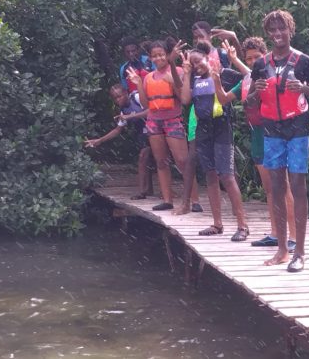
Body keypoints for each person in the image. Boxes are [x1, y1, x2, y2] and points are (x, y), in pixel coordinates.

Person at [247, 10, 309, 272]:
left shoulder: (303, 61)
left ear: (291, 30)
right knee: (277, 189)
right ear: (268, 34)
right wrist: (255, 94)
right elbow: (248, 102)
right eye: (273, 30)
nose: (278, 34)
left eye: (282, 29)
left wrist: (305, 89)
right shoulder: (261, 64)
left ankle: (299, 252)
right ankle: (281, 249)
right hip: (272, 132)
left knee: (298, 186)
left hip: (298, 130)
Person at [224, 37, 297, 252]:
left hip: (276, 133)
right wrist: (228, 67)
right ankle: (275, 233)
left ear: (265, 56)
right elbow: (247, 77)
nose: (254, 61)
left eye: (257, 57)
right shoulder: (249, 79)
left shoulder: (274, 74)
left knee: (283, 188)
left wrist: (238, 61)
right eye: (250, 58)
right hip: (258, 134)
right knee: (269, 189)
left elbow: (259, 72)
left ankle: (292, 236)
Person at [179, 42, 249, 240]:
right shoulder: (192, 78)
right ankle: (217, 224)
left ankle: (242, 226)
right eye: (191, 64)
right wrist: (186, 73)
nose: (196, 66)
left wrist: (234, 60)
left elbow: (249, 77)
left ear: (207, 58)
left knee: (226, 176)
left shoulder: (224, 73)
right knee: (210, 175)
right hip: (203, 129)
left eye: (197, 61)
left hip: (222, 128)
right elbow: (185, 100)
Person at [126, 38, 199, 211]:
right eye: (154, 56)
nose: (158, 58)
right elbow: (145, 104)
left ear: (167, 55)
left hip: (173, 120)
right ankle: (168, 200)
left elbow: (184, 98)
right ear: (150, 58)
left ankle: (194, 200)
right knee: (161, 161)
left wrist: (172, 81)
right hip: (154, 122)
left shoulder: (178, 71)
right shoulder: (148, 77)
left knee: (182, 161)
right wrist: (138, 84)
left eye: (161, 55)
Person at [85, 84, 153, 199]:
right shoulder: (123, 110)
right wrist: (100, 140)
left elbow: (151, 111)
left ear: (126, 93)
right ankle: (147, 190)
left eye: (119, 96)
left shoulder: (136, 97)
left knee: (148, 158)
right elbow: (117, 130)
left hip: (156, 129)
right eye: (115, 98)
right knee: (146, 160)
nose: (118, 100)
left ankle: (144, 192)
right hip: (142, 134)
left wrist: (131, 117)